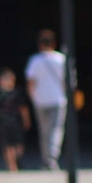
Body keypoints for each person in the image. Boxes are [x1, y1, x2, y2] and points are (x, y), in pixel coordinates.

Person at [25, 29, 69, 171]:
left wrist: (33, 98)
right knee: (56, 129)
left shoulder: (35, 60)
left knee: (44, 131)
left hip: (40, 100)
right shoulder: (61, 59)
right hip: (58, 99)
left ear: (40, 44)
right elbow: (67, 82)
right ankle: (51, 158)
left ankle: (46, 159)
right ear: (54, 43)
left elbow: (31, 82)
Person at [0, 68, 30, 172]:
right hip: (3, 122)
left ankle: (17, 160)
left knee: (18, 146)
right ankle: (11, 165)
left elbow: (23, 109)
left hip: (16, 122)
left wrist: (26, 121)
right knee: (7, 145)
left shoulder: (17, 93)